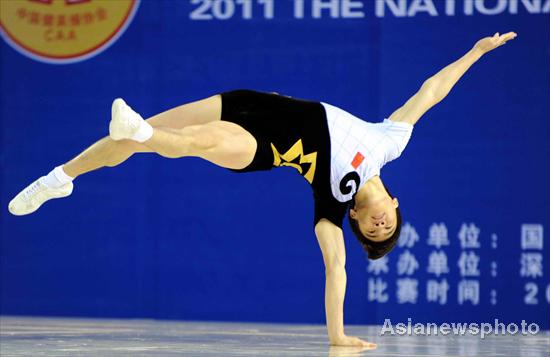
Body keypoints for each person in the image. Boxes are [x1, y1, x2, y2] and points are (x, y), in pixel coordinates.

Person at [8, 32, 517, 347]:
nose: (380, 226)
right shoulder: (390, 143)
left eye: (374, 233)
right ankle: (62, 178)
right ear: (395, 204)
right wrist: (475, 52)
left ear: (359, 222)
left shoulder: (332, 205)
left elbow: (336, 268)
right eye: (390, 225)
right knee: (129, 139)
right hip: (249, 101)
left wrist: (337, 337)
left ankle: (141, 135)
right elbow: (432, 91)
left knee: (183, 142)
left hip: (259, 146)